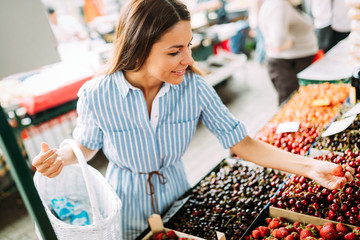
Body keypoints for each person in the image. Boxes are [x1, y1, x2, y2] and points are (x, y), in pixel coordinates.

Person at [33, 0, 354, 239]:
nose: (188, 59)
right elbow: (85, 146)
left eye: (188, 46)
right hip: (123, 204)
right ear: (139, 46)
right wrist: (60, 159)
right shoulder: (96, 93)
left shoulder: (194, 88)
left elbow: (241, 143)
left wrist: (309, 166)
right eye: (174, 51)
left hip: (178, 197)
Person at [259, 0, 319, 105]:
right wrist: (290, 43)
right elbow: (279, 40)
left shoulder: (280, 3)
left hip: (290, 64)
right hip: (287, 66)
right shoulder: (278, 5)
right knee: (291, 105)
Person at [248, 0, 266, 64]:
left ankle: (259, 59)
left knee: (261, 41)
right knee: (262, 42)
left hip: (255, 22)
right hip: (258, 23)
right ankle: (259, 60)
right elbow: (257, 10)